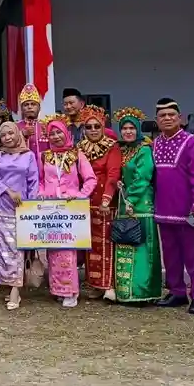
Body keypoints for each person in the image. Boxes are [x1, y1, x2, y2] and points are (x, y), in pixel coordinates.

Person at [152, 98, 194, 313]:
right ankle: (177, 292)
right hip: (164, 210)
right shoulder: (155, 144)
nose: (167, 119)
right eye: (162, 116)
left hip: (189, 211)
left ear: (180, 118)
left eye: (171, 115)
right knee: (171, 255)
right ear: (157, 120)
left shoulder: (192, 142)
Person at [39, 118, 93, 308]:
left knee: (68, 251)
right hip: (50, 208)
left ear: (66, 133)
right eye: (52, 133)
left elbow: (90, 179)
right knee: (52, 249)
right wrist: (41, 193)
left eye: (59, 132)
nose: (56, 136)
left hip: (70, 209)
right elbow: (40, 180)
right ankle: (57, 289)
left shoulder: (77, 154)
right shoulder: (44, 156)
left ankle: (70, 290)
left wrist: (80, 196)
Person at [0, 120, 39, 310]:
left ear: (18, 133)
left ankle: (16, 289)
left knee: (16, 249)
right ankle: (10, 286)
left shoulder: (28, 155)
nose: (7, 138)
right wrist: (8, 191)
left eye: (10, 133)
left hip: (20, 208)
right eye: (3, 135)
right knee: (1, 251)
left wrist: (30, 206)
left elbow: (33, 182)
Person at [113, 109, 162, 304]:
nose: (128, 132)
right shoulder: (123, 150)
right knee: (126, 244)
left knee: (143, 249)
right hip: (125, 203)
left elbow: (143, 177)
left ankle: (144, 292)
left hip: (141, 204)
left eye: (132, 128)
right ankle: (127, 292)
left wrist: (131, 200)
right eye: (124, 128)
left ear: (138, 129)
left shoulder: (144, 150)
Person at [76, 104, 121, 301]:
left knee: (106, 244)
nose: (93, 130)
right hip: (85, 202)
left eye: (97, 126)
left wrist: (106, 199)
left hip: (105, 203)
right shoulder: (79, 148)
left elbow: (113, 174)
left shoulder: (111, 147)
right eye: (89, 127)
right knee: (90, 246)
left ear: (103, 127)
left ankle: (109, 285)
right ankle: (95, 284)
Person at [16, 83, 48, 153]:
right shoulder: (15, 127)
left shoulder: (47, 126)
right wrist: (22, 134)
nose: (29, 107)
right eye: (26, 105)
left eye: (33, 104)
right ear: (21, 109)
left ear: (39, 108)